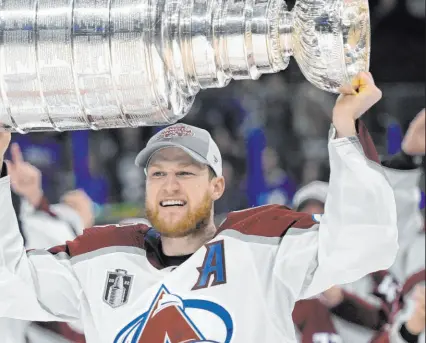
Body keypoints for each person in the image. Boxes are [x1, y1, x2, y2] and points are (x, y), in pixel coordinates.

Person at [0, 72, 399, 342]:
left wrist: (346, 126)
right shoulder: (101, 259)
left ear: (216, 186)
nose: (169, 185)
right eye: (157, 174)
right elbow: (7, 284)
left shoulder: (261, 247)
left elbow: (364, 243)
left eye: (185, 173)